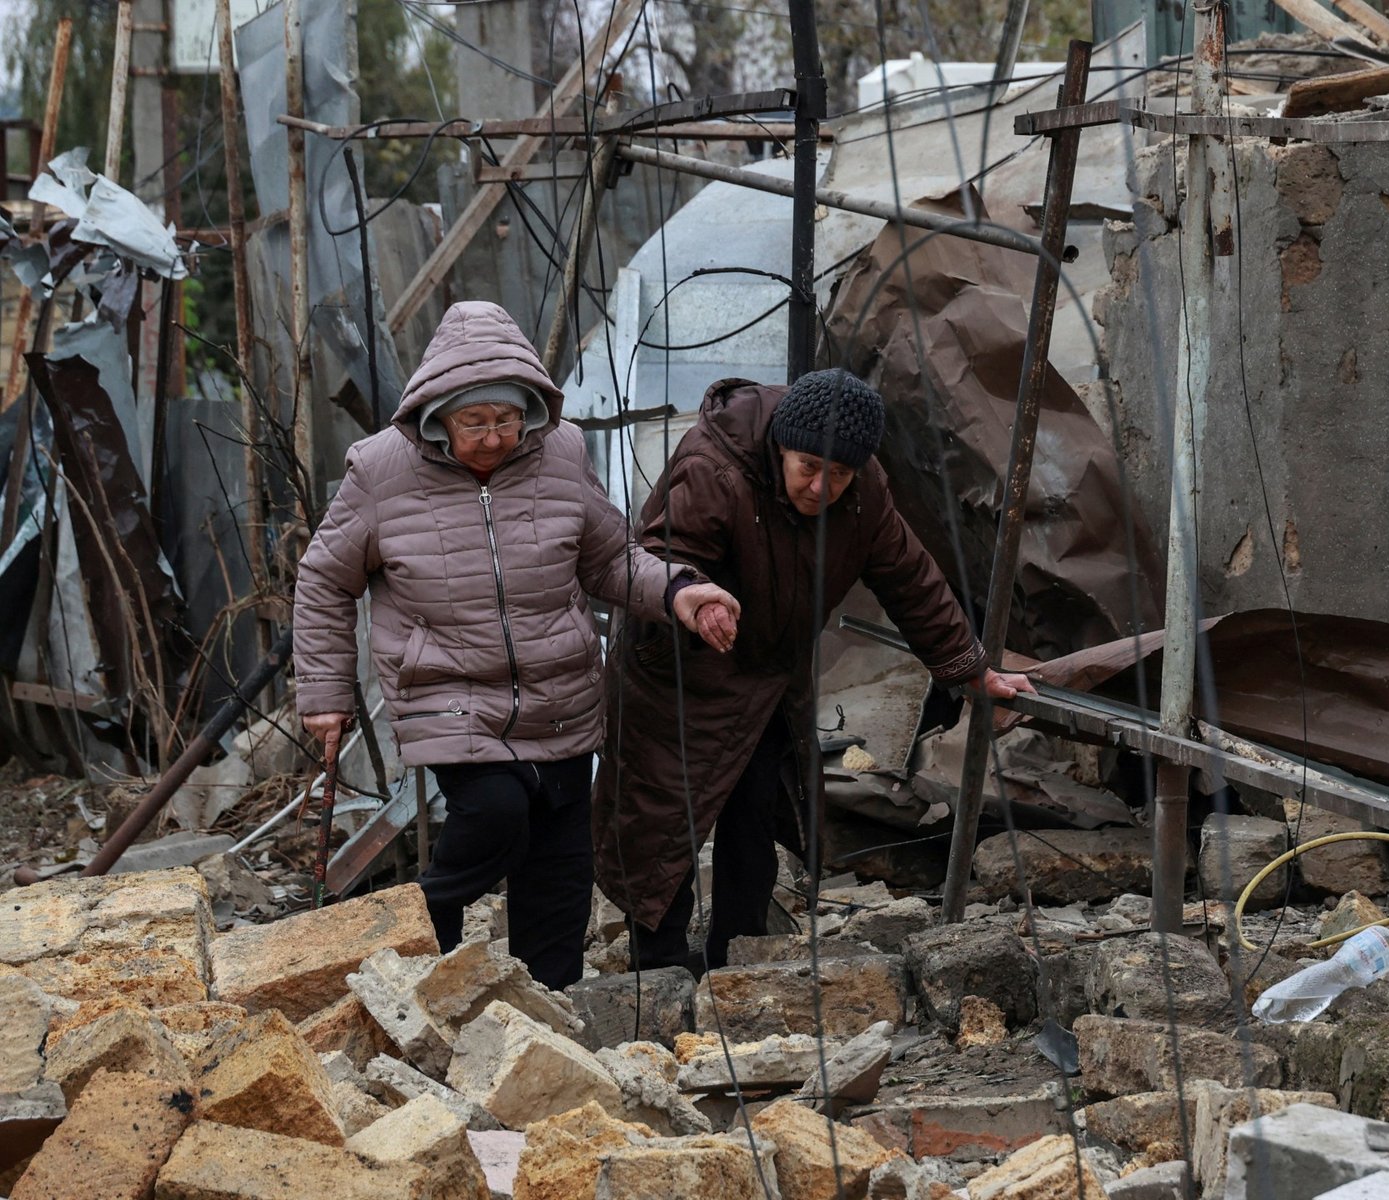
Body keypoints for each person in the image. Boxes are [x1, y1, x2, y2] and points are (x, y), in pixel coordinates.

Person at [294, 300, 737, 990]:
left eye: (507, 418)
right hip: (446, 692)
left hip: (560, 694)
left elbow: (610, 559)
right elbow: (324, 579)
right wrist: (324, 695)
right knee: (497, 811)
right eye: (476, 422)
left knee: (561, 861)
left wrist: (680, 591)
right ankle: (414, 940)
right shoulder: (380, 470)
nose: (495, 437)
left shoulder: (560, 452)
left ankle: (551, 1004)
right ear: (437, 414)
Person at [592, 368, 1032, 973]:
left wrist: (969, 668)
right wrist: (696, 597)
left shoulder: (864, 493)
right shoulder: (713, 468)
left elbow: (910, 579)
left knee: (757, 814)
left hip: (770, 677)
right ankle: (660, 971)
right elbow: (662, 556)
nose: (823, 486)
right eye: (809, 468)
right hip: (676, 667)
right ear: (781, 447)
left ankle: (738, 966)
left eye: (841, 474)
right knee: (659, 825)